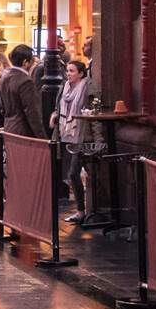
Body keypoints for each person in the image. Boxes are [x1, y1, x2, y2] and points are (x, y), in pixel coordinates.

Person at [55, 59, 97, 222]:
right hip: (68, 134)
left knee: (74, 173)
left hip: (82, 135)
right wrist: (55, 114)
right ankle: (83, 210)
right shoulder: (64, 87)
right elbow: (60, 106)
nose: (68, 74)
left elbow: (91, 110)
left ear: (81, 73)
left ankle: (83, 211)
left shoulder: (87, 88)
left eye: (72, 71)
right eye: (67, 70)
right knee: (74, 174)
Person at [0, 43, 44, 137]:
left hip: (8, 127)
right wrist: (42, 137)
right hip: (23, 131)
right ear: (25, 62)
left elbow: (3, 106)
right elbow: (32, 112)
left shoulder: (5, 77)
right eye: (32, 61)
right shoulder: (25, 81)